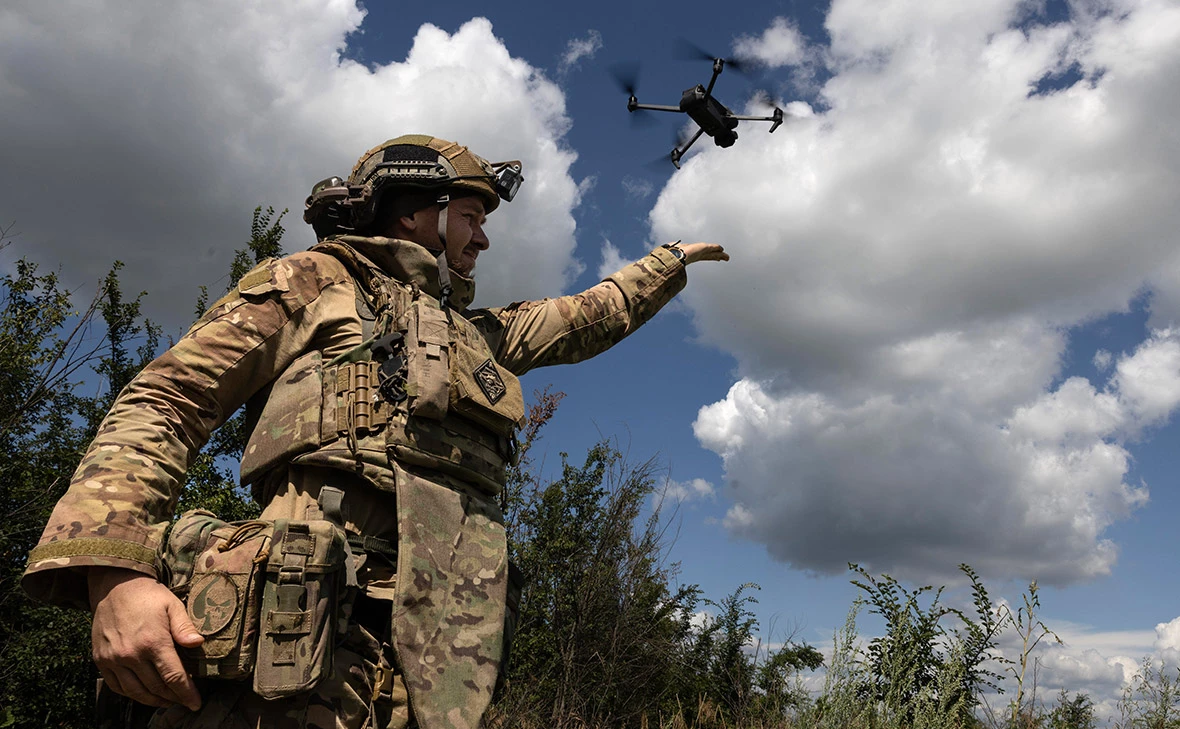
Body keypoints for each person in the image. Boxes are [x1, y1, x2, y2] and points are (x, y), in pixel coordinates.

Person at [23, 134, 728, 729]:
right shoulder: (317, 280)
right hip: (298, 647)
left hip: (436, 664)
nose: (484, 237)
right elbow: (169, 398)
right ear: (415, 210)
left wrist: (669, 262)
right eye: (471, 215)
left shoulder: (478, 336)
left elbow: (585, 316)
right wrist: (115, 574)